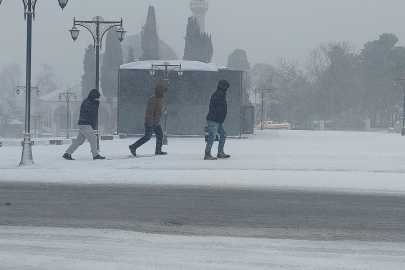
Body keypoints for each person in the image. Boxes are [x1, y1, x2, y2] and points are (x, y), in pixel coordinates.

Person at [62, 89, 105, 160]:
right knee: (93, 138)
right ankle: (95, 155)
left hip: (83, 124)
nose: (97, 99)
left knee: (79, 140)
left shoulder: (88, 101)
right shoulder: (89, 103)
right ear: (94, 96)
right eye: (97, 98)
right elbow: (93, 113)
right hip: (85, 124)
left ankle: (67, 153)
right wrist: (96, 103)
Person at [129, 84, 168, 156]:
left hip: (155, 122)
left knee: (159, 135)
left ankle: (158, 150)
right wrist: (150, 122)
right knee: (147, 137)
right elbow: (150, 111)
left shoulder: (158, 99)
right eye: (164, 92)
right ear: (160, 92)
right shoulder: (153, 99)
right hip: (151, 122)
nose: (165, 93)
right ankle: (133, 146)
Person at [204, 79, 231, 160]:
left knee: (222, 134)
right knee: (213, 136)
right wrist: (220, 117)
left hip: (216, 119)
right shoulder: (220, 95)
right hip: (215, 119)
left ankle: (218, 152)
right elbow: (220, 108)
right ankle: (208, 154)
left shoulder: (218, 94)